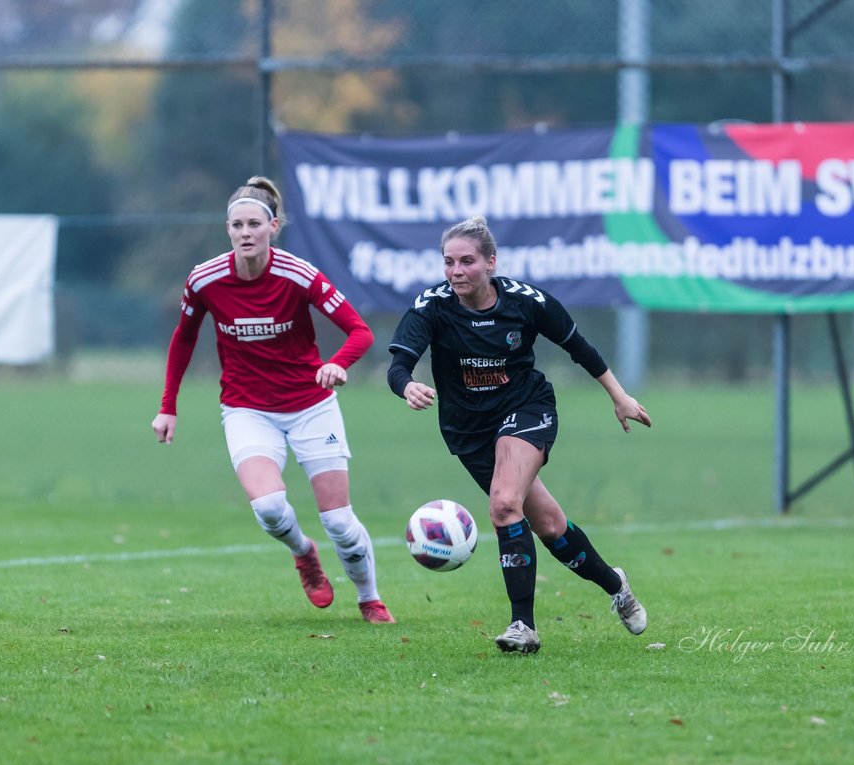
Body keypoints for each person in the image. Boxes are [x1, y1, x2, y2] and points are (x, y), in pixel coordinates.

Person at [386, 215, 651, 653]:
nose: (456, 272)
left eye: (467, 261)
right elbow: (398, 365)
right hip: (468, 430)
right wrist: (406, 386)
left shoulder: (526, 302)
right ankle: (615, 584)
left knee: (504, 504)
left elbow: (579, 348)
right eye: (448, 262)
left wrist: (619, 397)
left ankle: (522, 627)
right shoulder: (431, 307)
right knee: (549, 525)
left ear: (491, 262)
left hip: (526, 409)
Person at [152, 176, 394, 624]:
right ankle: (303, 553)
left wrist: (338, 363)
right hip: (247, 408)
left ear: (273, 227)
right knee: (267, 508)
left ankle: (369, 598)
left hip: (311, 405)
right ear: (228, 229)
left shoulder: (298, 275)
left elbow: (360, 332)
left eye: (254, 224)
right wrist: (168, 405)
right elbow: (183, 338)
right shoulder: (205, 280)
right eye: (236, 225)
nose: (245, 233)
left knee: (340, 522)